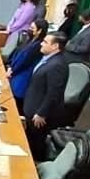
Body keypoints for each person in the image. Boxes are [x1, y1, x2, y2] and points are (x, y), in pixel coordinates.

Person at [23, 31, 69, 161]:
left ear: (55, 46)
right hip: (33, 106)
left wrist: (42, 113)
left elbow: (54, 93)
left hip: (40, 116)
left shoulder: (57, 65)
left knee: (35, 144)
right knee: (29, 140)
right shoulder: (48, 59)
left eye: (45, 42)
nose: (41, 44)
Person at [5, 18, 49, 107]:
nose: (29, 29)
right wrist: (10, 66)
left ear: (39, 31)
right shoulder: (30, 40)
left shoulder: (37, 46)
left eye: (32, 28)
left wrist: (12, 71)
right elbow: (18, 54)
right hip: (14, 72)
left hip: (21, 78)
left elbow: (24, 62)